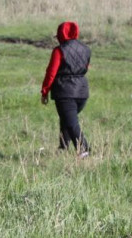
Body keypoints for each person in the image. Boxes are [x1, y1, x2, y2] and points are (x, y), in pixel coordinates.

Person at [41, 21, 91, 158]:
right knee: (67, 119)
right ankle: (63, 147)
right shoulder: (86, 49)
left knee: (71, 123)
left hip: (65, 91)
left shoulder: (59, 51)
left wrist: (45, 91)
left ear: (60, 35)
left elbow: (51, 72)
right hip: (82, 91)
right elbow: (86, 68)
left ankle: (84, 151)